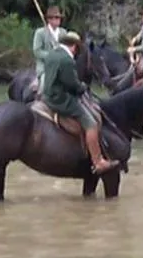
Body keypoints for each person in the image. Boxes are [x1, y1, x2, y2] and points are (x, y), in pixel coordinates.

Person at [42, 30, 119, 174]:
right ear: (74, 46)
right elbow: (72, 84)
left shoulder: (52, 54)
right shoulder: (67, 60)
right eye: (77, 47)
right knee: (91, 124)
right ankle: (98, 161)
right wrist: (83, 87)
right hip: (61, 99)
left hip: (47, 95)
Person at [31, 5, 66, 82]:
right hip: (45, 68)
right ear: (49, 20)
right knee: (45, 83)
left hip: (62, 68)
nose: (58, 20)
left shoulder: (63, 32)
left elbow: (67, 49)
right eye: (55, 17)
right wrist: (51, 55)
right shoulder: (40, 33)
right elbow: (37, 51)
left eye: (59, 17)